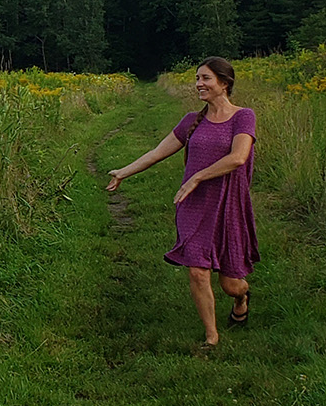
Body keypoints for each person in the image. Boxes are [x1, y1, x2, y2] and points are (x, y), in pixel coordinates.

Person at [104, 57, 256, 351]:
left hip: (228, 205)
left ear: (224, 83)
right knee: (198, 271)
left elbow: (239, 157)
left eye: (206, 78)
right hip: (194, 204)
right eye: (198, 78)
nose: (199, 84)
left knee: (231, 284)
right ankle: (211, 337)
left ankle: (242, 298)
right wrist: (123, 172)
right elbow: (157, 152)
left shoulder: (243, 117)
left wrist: (197, 176)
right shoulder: (191, 121)